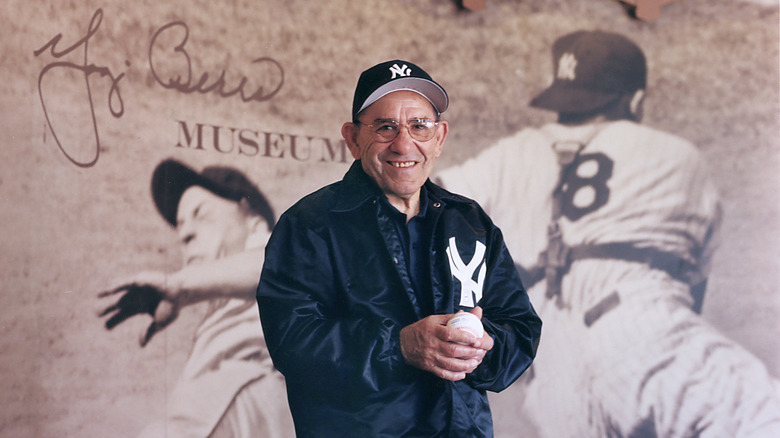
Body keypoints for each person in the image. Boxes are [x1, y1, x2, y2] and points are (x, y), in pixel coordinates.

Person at [436, 30, 780, 437]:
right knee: (761, 417)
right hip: (642, 327)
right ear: (634, 100)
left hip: (553, 375)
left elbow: (416, 208)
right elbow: (694, 286)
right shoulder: (674, 153)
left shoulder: (511, 155)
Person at [255, 59, 542, 438]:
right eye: (385, 127)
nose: (404, 144)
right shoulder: (312, 223)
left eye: (419, 126)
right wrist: (400, 346)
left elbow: (519, 329)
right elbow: (293, 341)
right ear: (353, 139)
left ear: (439, 138)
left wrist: (484, 347)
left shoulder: (470, 222)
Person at [98, 159, 295, 438]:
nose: (185, 234)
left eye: (200, 214)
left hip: (256, 394)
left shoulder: (285, 249)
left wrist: (180, 284)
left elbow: (280, 267)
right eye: (180, 225)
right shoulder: (227, 298)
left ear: (252, 218)